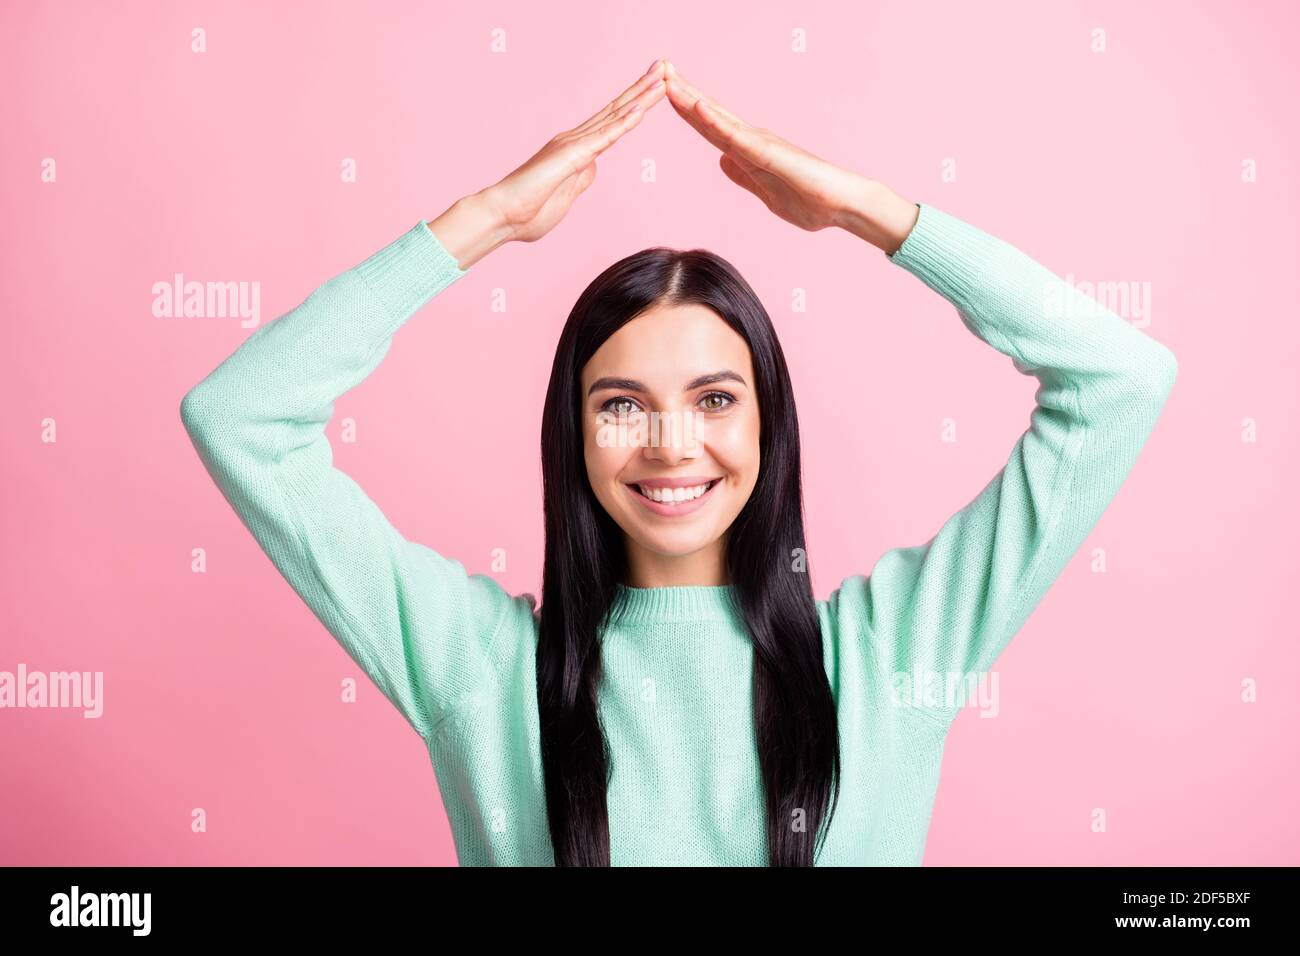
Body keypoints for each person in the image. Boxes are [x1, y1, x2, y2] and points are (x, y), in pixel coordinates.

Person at [180, 59, 1177, 866]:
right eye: (621, 405)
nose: (670, 443)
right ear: (571, 433)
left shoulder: (890, 657)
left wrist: (864, 211)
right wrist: (481, 221)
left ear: (766, 426)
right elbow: (240, 416)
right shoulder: (479, 671)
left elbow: (1119, 378)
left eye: (713, 399)